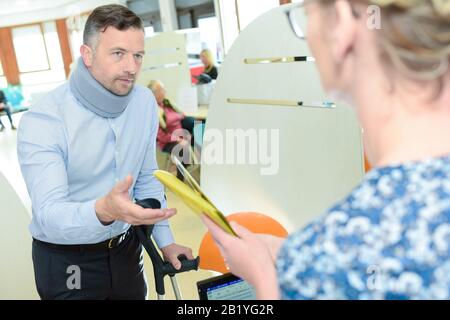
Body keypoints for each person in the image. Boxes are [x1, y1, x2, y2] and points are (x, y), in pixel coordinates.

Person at [203, 0, 450, 300]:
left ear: (343, 23)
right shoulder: (334, 251)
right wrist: (294, 254)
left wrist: (266, 277)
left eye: (306, 15)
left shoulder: (334, 250)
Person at [17, 4, 193, 300]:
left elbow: (147, 177)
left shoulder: (143, 103)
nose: (132, 67)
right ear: (87, 55)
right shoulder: (44, 120)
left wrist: (166, 242)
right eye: (118, 54)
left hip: (125, 249)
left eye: (138, 55)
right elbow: (49, 213)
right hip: (68, 260)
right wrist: (103, 210)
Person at [148, 80, 196, 180]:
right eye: (161, 89)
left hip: (181, 134)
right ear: (154, 93)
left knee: (200, 135)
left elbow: (181, 116)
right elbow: (161, 136)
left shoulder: (167, 103)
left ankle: (204, 167)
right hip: (167, 141)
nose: (165, 91)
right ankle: (180, 179)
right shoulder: (152, 111)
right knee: (182, 148)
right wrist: (178, 139)